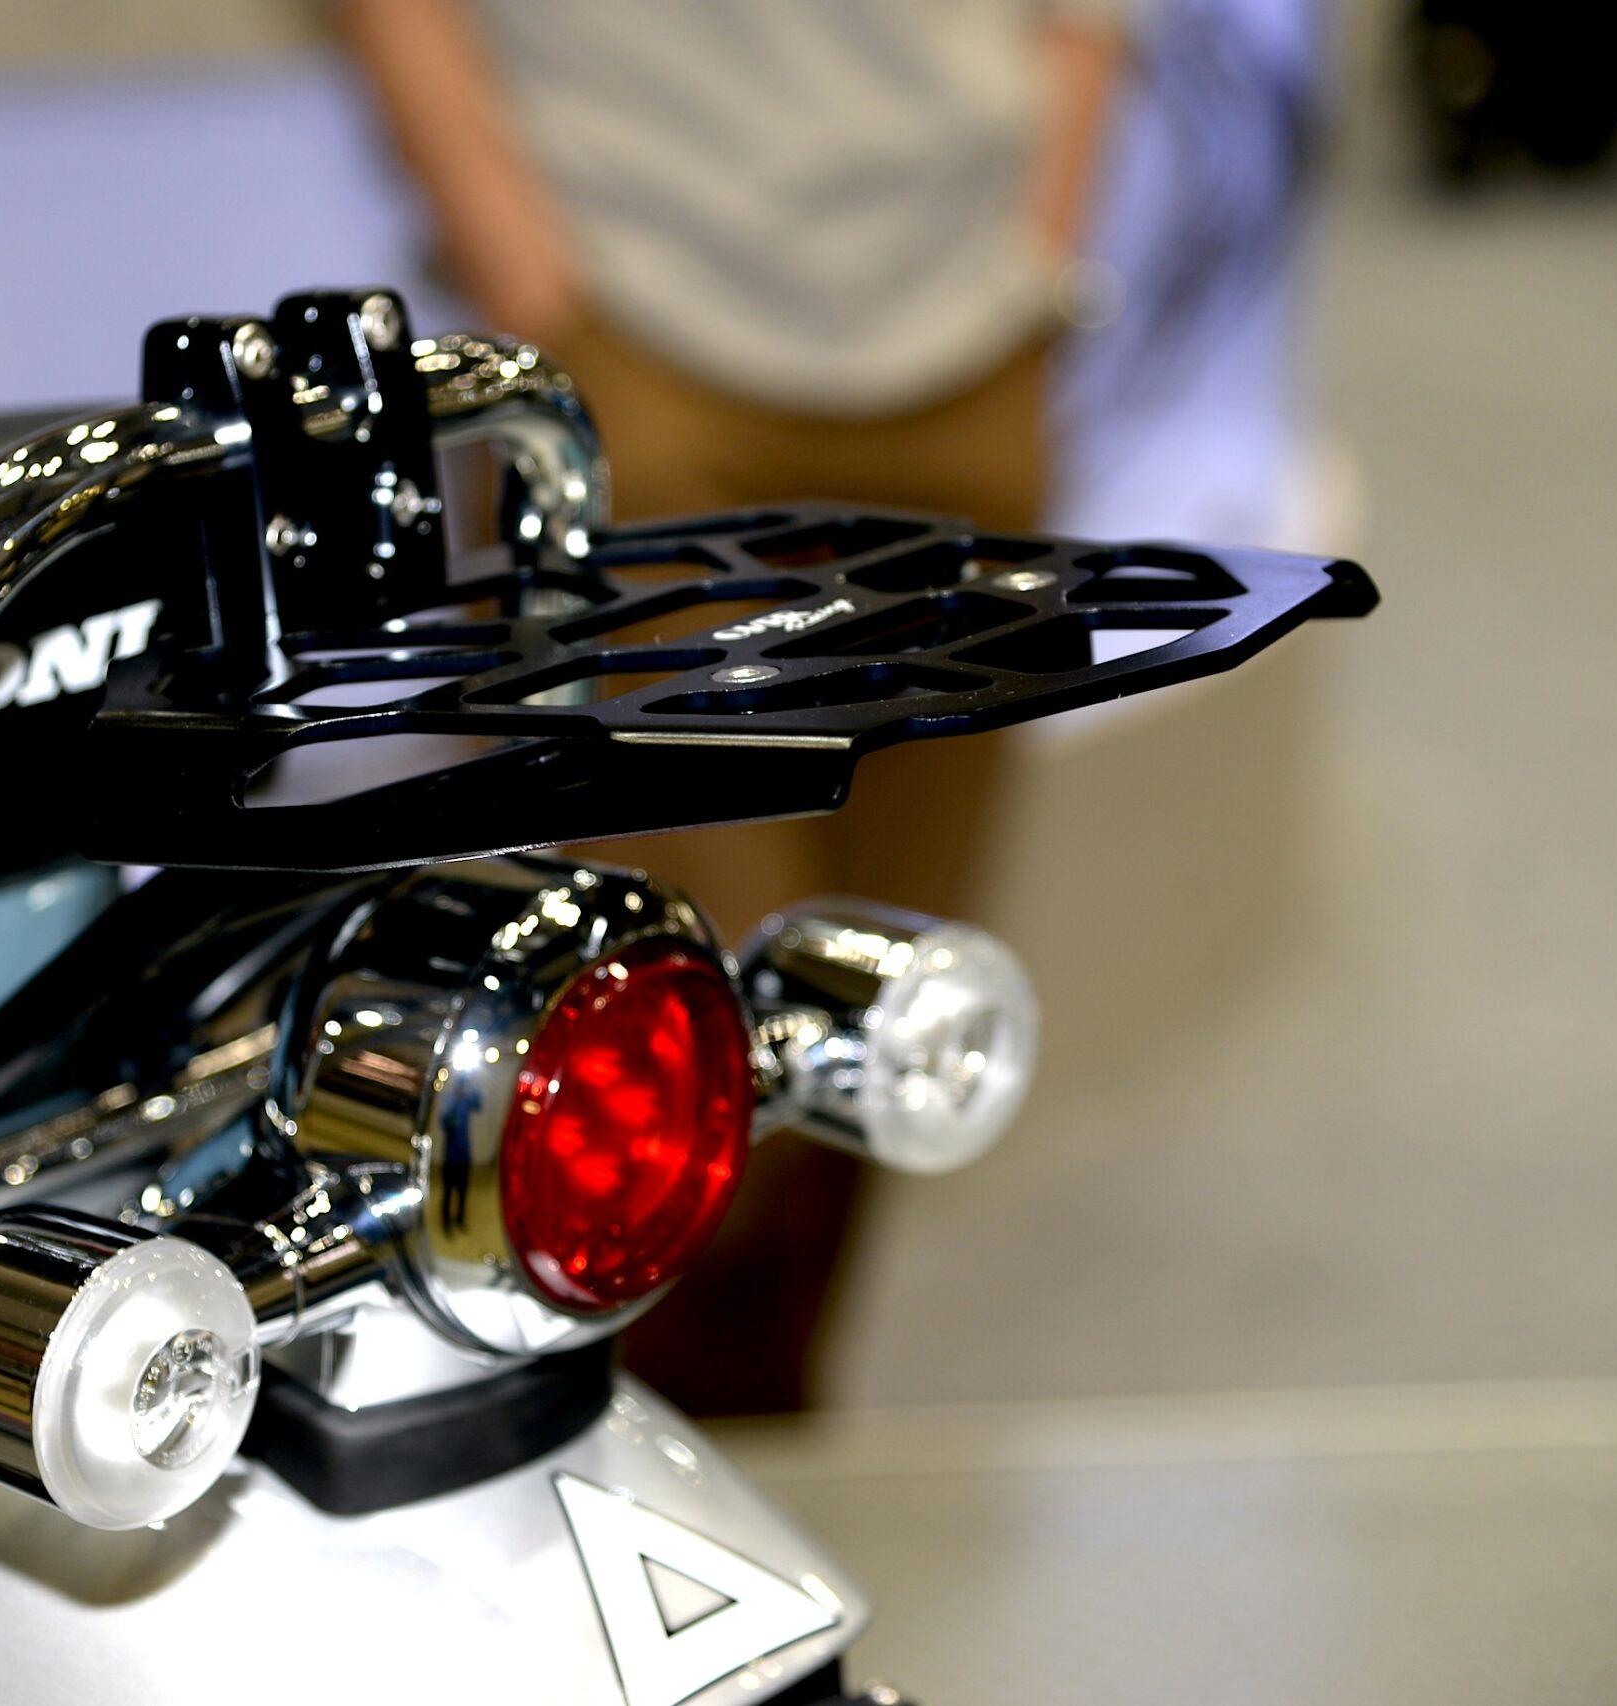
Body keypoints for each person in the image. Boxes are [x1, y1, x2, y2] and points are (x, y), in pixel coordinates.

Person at [342, 0, 1130, 1412]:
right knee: (671, 1017)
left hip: (969, 343)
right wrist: (532, 287)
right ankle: (623, 1461)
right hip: (643, 347)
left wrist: (1041, 252)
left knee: (881, 1008)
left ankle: (764, 1435)